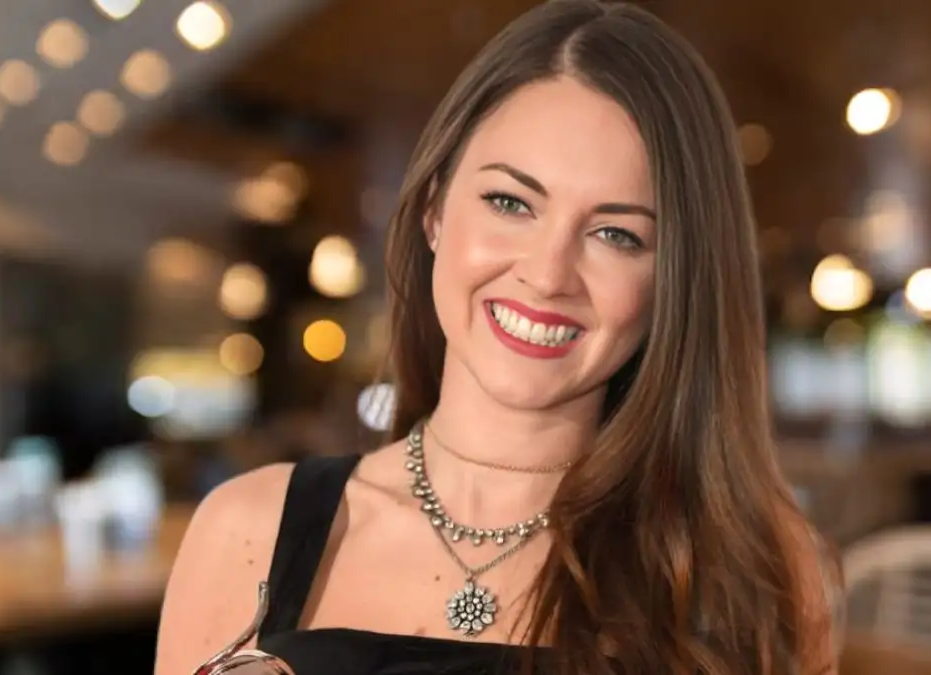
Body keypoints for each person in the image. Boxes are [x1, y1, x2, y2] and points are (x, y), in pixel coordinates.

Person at [155, 1, 843, 674]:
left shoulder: (756, 572)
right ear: (434, 210)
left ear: (675, 280)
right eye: (510, 202)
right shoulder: (247, 530)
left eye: (616, 234)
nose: (547, 275)